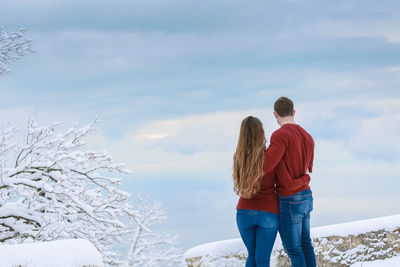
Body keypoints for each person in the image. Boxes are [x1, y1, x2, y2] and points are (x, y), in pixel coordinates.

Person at [233, 116, 310, 267]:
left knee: (252, 256)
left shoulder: (238, 158)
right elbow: (284, 180)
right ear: (261, 133)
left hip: (243, 212)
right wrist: (305, 178)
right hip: (267, 213)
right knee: (262, 259)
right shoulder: (270, 156)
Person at [264, 97, 316, 267]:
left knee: (294, 249)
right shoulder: (308, 136)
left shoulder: (280, 135)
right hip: (306, 195)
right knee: (306, 245)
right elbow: (309, 169)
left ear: (275, 114)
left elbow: (267, 165)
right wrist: (304, 179)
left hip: (290, 197)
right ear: (293, 112)